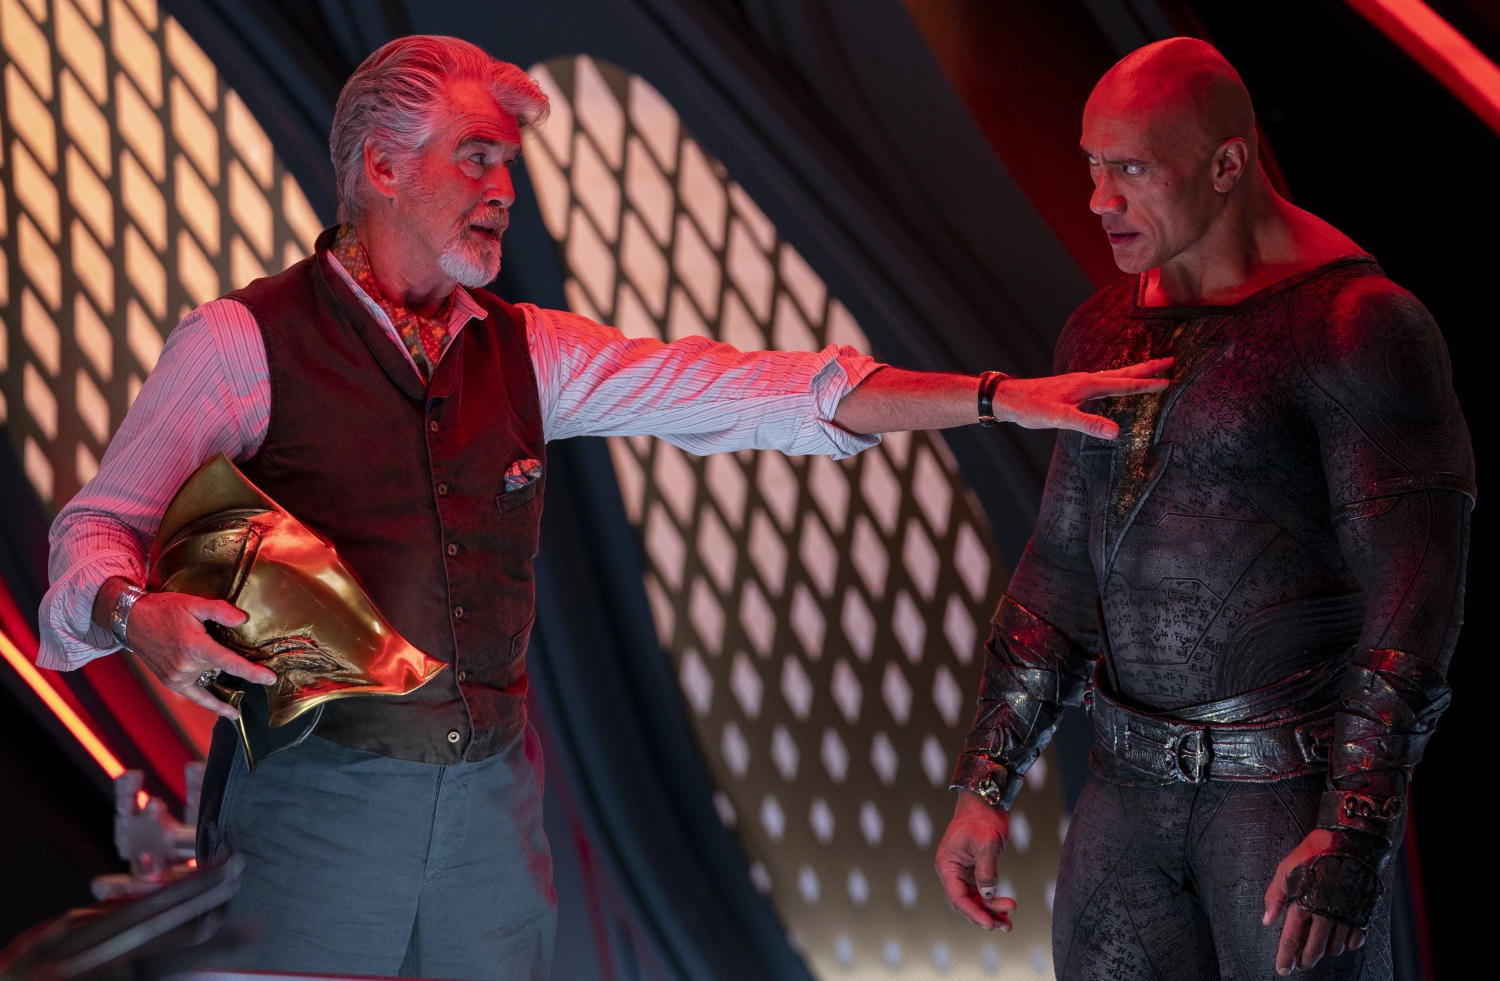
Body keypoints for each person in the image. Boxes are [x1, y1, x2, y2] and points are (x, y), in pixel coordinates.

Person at [35, 34, 1170, 981]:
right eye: (477, 158)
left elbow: (758, 391)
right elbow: (93, 531)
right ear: (381, 167)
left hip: (489, 817)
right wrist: (135, 615)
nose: (503, 191)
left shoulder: (529, 350)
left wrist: (996, 397)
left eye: (508, 166)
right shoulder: (241, 343)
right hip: (310, 809)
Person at [934, 36, 1472, 981]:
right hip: (1124, 791)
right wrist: (985, 780)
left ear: (1228, 164)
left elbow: (1414, 595)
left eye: (1132, 170)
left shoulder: (1358, 325)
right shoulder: (1102, 328)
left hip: (1283, 799)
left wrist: (1354, 826)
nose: (1099, 199)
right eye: (1092, 166)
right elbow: (1062, 565)